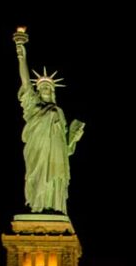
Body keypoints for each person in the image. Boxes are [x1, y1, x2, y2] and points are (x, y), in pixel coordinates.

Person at [13, 29, 85, 214]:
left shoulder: (58, 112)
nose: (45, 88)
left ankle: (55, 207)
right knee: (36, 176)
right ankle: (36, 207)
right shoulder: (33, 106)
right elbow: (26, 83)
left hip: (57, 154)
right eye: (42, 86)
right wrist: (21, 51)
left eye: (48, 86)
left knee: (55, 177)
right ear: (38, 91)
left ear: (53, 91)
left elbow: (66, 146)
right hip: (37, 149)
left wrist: (73, 138)